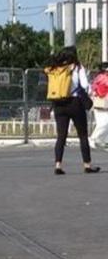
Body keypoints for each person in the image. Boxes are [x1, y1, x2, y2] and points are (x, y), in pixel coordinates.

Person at [45, 46, 100, 175]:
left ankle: (58, 165)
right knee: (82, 135)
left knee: (61, 136)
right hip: (75, 103)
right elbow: (85, 85)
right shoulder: (77, 67)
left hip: (58, 103)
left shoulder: (55, 68)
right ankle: (87, 165)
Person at [90, 63, 108, 150]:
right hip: (103, 102)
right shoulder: (104, 78)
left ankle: (102, 140)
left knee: (103, 123)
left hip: (99, 102)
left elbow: (93, 88)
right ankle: (93, 139)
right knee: (103, 123)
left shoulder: (98, 77)